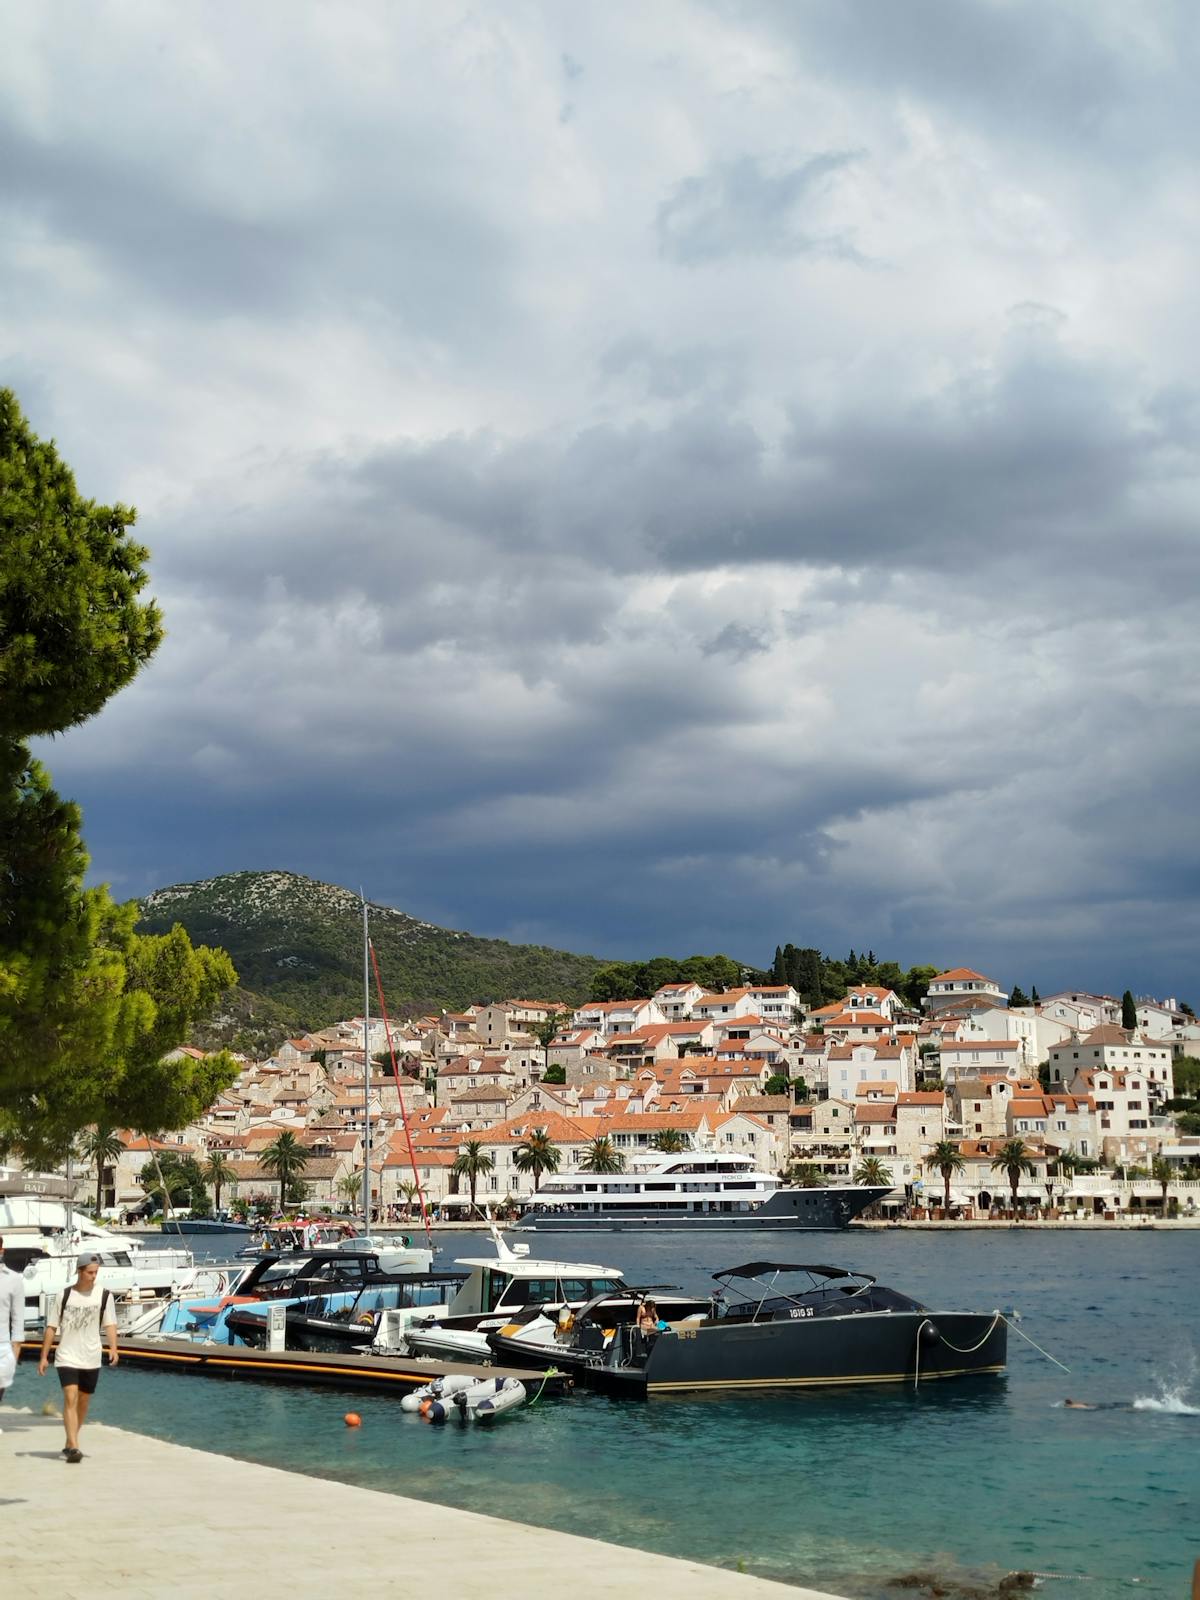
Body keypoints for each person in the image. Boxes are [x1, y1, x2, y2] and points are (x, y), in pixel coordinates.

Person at [37, 1251, 118, 1463]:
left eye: (96, 1272)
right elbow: (51, 1327)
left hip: (91, 1356)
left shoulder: (104, 1295)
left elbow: (110, 1323)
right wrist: (44, 1356)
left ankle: (69, 1440)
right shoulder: (64, 1296)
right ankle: (74, 1446)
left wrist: (114, 1348)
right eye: (90, 1272)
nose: (93, 1276)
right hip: (66, 1356)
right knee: (71, 1396)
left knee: (83, 1400)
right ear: (79, 1272)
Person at [0, 1234, 27, 1425]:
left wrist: (16, 1345)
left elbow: (18, 1316)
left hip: (2, 1344)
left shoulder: (14, 1279)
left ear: (2, 1251)